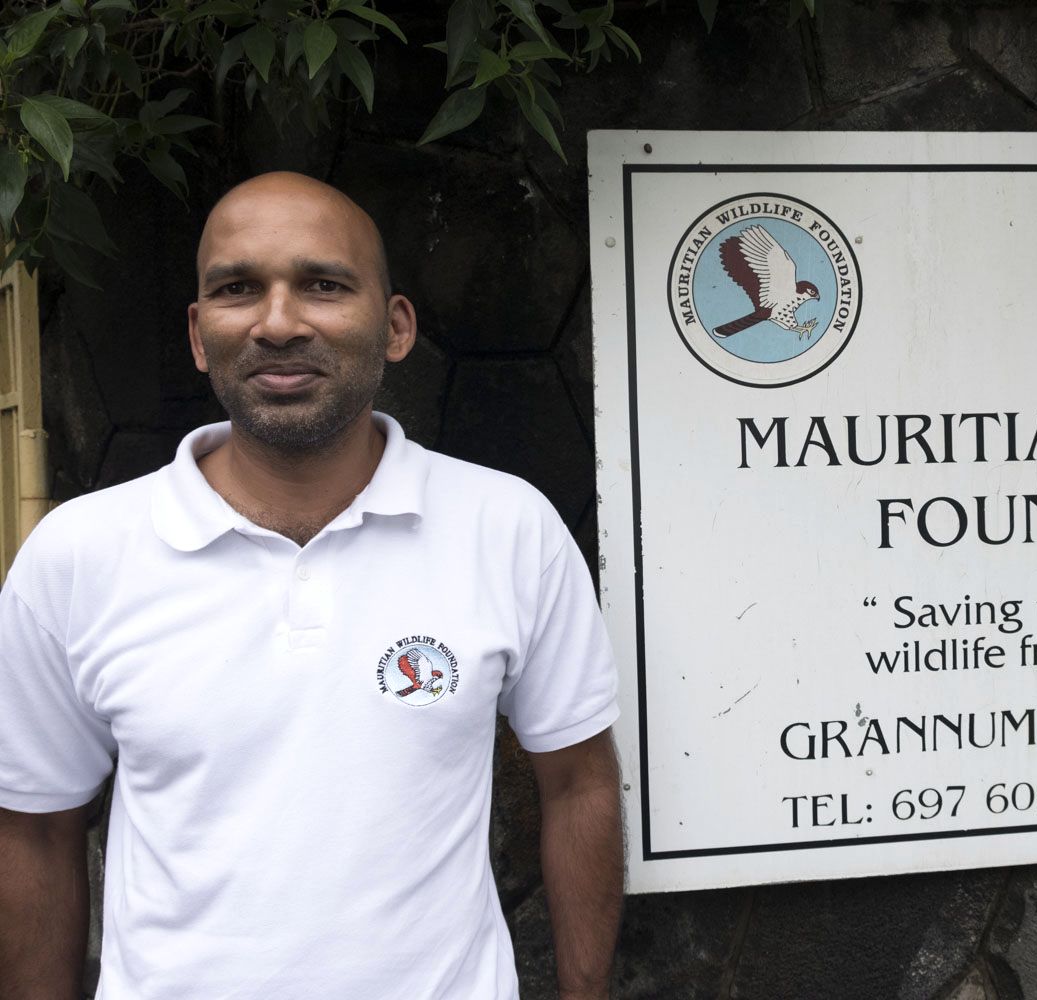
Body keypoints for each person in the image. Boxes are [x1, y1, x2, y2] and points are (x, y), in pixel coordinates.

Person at [0, 171, 623, 1000]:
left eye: (323, 285)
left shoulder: (507, 528)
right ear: (198, 333)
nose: (279, 322)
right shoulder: (79, 554)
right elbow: (35, 832)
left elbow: (580, 784)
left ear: (395, 326)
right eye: (238, 289)